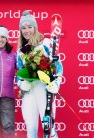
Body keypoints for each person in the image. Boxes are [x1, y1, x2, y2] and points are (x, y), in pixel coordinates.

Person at [16, 10, 63, 138]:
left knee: (48, 126)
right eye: (23, 28)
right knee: (31, 127)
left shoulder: (46, 43)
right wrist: (21, 83)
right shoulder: (20, 51)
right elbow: (19, 71)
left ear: (35, 28)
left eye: (30, 27)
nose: (27, 31)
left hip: (44, 89)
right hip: (29, 92)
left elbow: (58, 66)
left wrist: (56, 83)